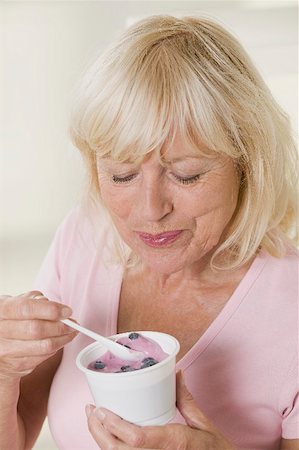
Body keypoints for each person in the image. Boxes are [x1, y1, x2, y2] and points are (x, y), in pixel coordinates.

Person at [0, 14, 298, 450]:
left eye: (187, 174)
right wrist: (5, 371)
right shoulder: (84, 236)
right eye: (121, 176)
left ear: (246, 164)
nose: (150, 211)